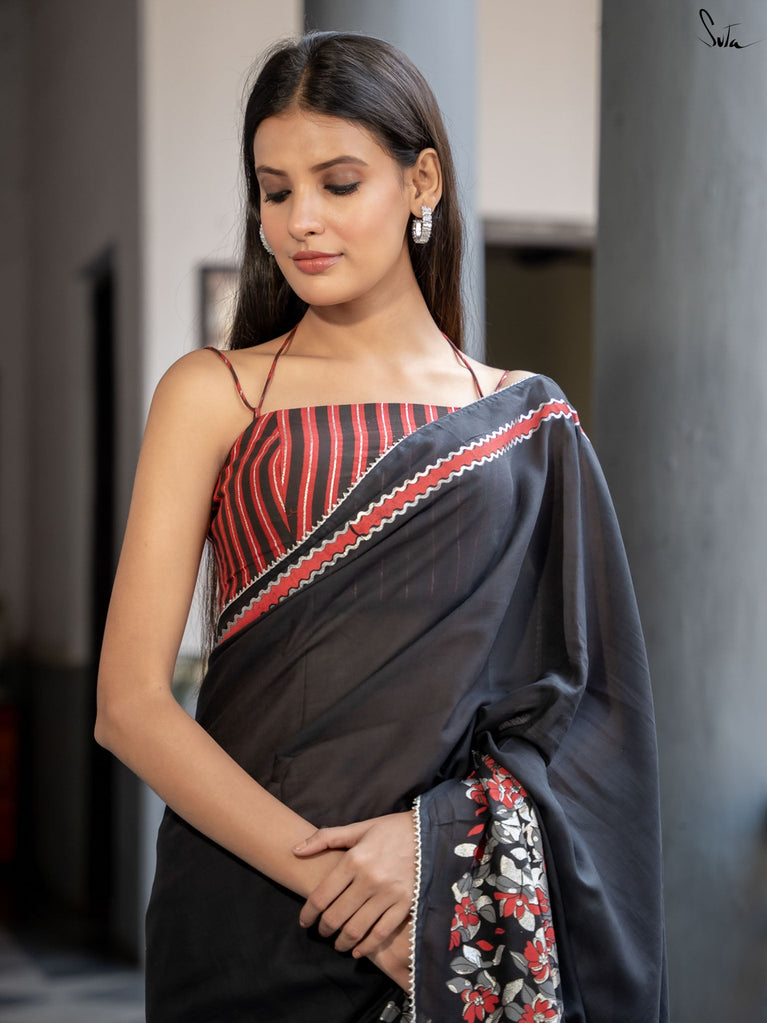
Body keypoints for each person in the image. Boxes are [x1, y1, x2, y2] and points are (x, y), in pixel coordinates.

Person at [96, 30, 668, 1023]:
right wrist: (346, 891)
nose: (301, 221)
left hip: (448, 906)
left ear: (420, 182)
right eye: (275, 191)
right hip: (246, 912)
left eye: (338, 182)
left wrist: (431, 854)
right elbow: (128, 706)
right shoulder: (214, 392)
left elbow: (583, 717)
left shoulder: (522, 424)